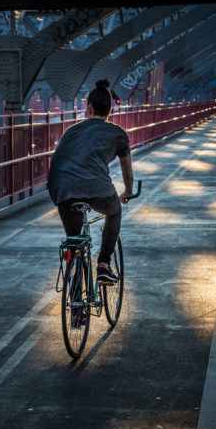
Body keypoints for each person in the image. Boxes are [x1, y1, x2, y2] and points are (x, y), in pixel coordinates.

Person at [48, 79, 134, 283]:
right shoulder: (118, 133)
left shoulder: (70, 131)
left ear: (88, 108)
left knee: (74, 242)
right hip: (97, 188)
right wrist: (128, 192)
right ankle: (104, 263)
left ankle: (76, 308)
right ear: (109, 110)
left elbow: (58, 160)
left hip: (62, 189)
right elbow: (127, 171)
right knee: (114, 212)